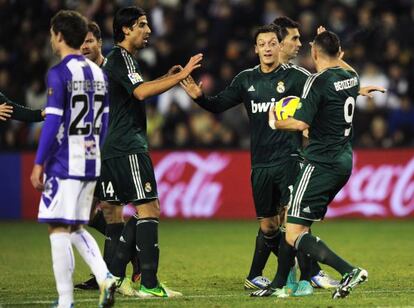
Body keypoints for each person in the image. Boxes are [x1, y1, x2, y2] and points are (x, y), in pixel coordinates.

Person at [180, 24, 312, 296]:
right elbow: (218, 104)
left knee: (290, 222)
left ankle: (289, 278)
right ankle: (274, 274)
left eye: (272, 43)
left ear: (279, 46)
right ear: (255, 49)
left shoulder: (297, 77)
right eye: (262, 43)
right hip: (260, 164)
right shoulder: (245, 80)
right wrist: (200, 98)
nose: (267, 48)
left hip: (289, 158)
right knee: (269, 226)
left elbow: (321, 94)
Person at [252, 30, 368, 299]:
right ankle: (280, 282)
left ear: (314, 53)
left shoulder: (315, 83)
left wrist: (275, 121)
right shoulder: (351, 78)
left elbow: (301, 123)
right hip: (343, 161)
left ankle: (349, 271)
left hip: (319, 163)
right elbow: (345, 67)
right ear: (339, 54)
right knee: (296, 223)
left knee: (293, 232)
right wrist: (330, 45)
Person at [95, 6, 202, 298]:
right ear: (126, 29)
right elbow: (141, 92)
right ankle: (149, 283)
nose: (148, 30)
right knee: (149, 209)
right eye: (142, 25)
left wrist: (166, 78)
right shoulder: (121, 57)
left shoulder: (122, 60)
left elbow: (138, 90)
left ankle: (115, 277)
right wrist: (183, 76)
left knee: (135, 211)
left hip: (115, 146)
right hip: (127, 145)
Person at [30, 10, 116, 307]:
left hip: (64, 161)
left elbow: (52, 122)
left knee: (58, 228)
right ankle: (105, 277)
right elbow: (104, 123)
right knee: (77, 226)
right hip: (91, 159)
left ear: (59, 36)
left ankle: (65, 301)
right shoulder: (99, 73)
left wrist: (39, 163)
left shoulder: (59, 73)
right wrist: (95, 151)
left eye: (53, 33)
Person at [271, 16, 339, 291]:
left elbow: (329, 87)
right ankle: (286, 275)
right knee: (271, 223)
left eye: (302, 40)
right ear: (279, 42)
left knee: (295, 218)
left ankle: (304, 275)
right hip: (265, 159)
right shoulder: (254, 77)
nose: (299, 43)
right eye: (295, 38)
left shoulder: (302, 77)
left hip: (295, 156)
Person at [75, 20, 142, 293]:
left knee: (113, 210)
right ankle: (127, 256)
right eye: (79, 43)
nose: (85, 47)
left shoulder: (112, 68)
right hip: (92, 151)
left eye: (89, 41)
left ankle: (112, 271)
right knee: (85, 213)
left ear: (99, 42)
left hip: (117, 150)